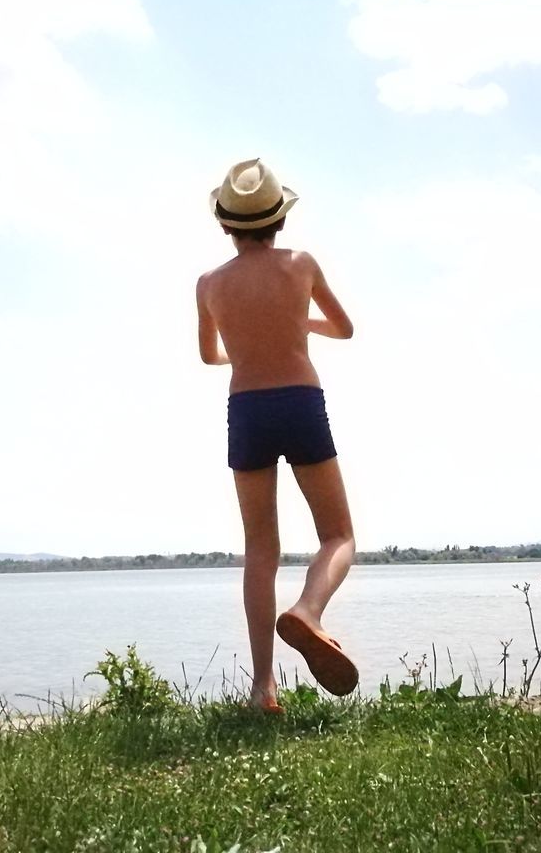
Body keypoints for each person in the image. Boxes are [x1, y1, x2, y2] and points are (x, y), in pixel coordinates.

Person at [196, 157, 358, 714]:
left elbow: (208, 354)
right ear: (280, 219)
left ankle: (263, 687)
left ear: (225, 224)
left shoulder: (209, 284)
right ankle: (309, 611)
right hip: (299, 400)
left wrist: (246, 345)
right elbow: (344, 328)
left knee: (260, 549)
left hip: (246, 409)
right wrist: (296, 324)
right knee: (338, 535)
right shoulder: (301, 264)